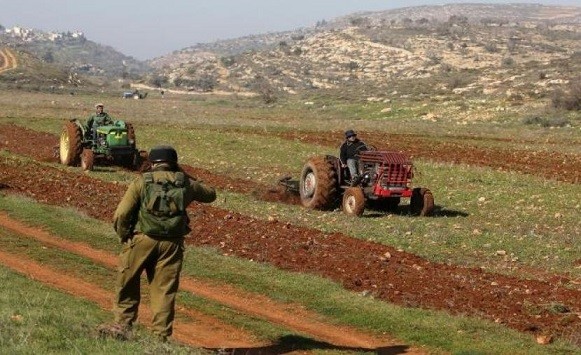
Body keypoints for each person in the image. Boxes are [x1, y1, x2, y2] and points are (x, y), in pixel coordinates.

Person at [100, 145, 216, 342]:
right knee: (164, 290)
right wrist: (185, 175)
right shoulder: (185, 184)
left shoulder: (141, 182)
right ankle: (159, 338)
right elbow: (211, 194)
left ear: (152, 163)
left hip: (142, 239)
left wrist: (125, 235)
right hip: (172, 245)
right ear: (174, 163)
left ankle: (123, 325)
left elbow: (121, 214)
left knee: (127, 281)